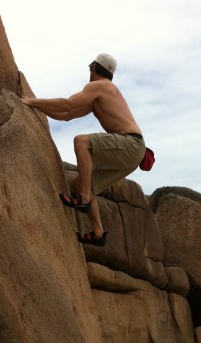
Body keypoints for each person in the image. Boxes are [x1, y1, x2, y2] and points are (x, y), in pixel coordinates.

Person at [22, 53, 146, 246]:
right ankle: (97, 232)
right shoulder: (100, 95)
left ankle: (84, 198)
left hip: (131, 144)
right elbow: (66, 115)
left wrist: (34, 102)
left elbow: (69, 103)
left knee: (81, 142)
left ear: (93, 68)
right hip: (133, 153)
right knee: (84, 183)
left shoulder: (99, 86)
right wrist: (38, 108)